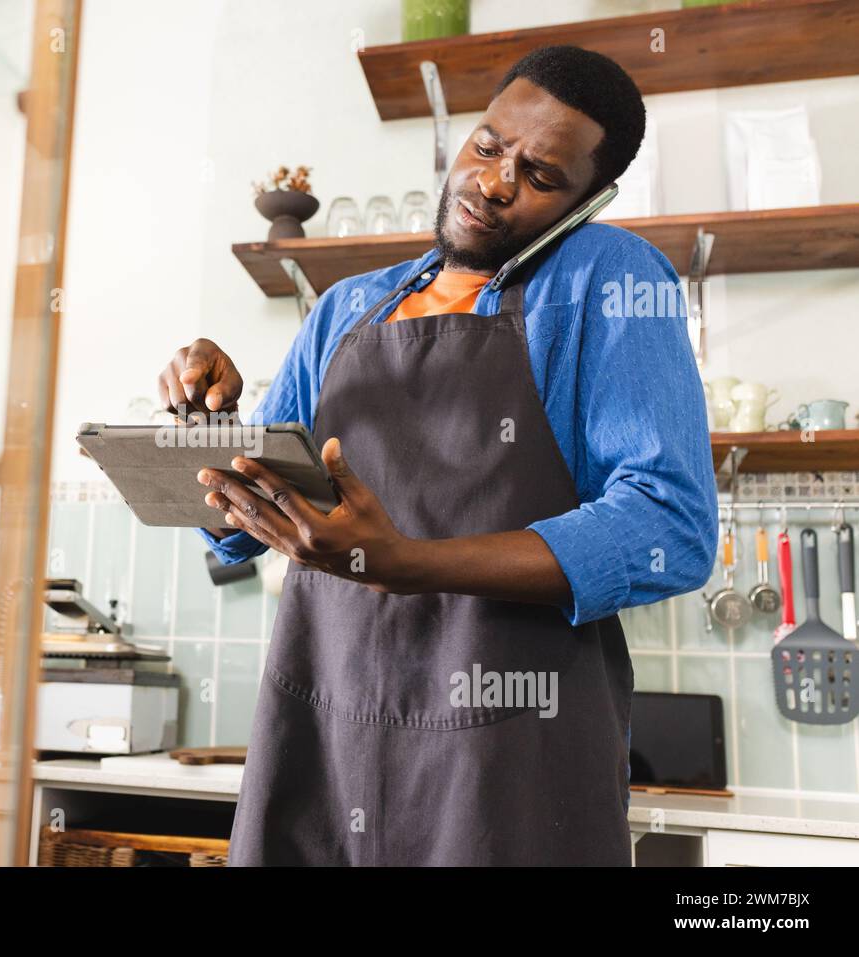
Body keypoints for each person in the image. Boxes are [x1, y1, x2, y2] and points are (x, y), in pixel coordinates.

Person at [154, 45, 718, 866]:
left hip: (508, 765)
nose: (493, 181)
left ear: (591, 200)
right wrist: (213, 419)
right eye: (488, 146)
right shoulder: (347, 306)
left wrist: (412, 562)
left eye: (541, 175)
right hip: (322, 734)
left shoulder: (610, 277)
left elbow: (671, 522)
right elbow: (240, 530)